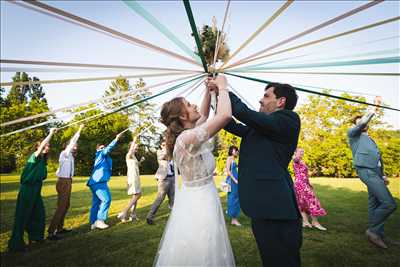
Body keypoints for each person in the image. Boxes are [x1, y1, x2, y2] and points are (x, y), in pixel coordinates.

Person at [153, 75, 235, 266]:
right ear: (182, 116)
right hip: (199, 202)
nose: (195, 106)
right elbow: (224, 116)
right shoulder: (187, 139)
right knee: (203, 248)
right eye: (190, 105)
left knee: (204, 247)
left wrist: (208, 89)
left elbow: (205, 115)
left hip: (201, 196)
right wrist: (223, 87)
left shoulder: (187, 134)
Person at [223, 82, 302, 267]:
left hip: (277, 208)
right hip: (261, 206)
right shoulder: (260, 128)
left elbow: (243, 113)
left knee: (283, 260)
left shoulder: (288, 119)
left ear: (281, 101)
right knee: (270, 258)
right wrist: (216, 95)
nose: (261, 99)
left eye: (266, 96)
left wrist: (224, 88)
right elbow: (229, 122)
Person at [347, 98, 397, 249]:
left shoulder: (369, 138)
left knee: (374, 203)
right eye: (361, 121)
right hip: (366, 171)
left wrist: (382, 175)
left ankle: (379, 234)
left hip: (375, 172)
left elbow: (377, 158)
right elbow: (362, 122)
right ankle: (372, 231)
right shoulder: (353, 134)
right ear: (356, 125)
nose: (364, 123)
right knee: (389, 204)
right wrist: (375, 107)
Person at [8, 128, 57, 252]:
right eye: (45, 146)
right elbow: (40, 149)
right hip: (27, 190)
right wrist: (51, 133)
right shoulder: (34, 157)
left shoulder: (42, 161)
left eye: (48, 146)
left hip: (36, 191)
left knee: (39, 214)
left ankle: (36, 237)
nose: (47, 147)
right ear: (38, 148)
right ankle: (16, 244)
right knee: (22, 216)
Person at [47, 124, 84, 240]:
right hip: (63, 182)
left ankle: (60, 228)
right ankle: (51, 232)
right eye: (74, 145)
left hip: (68, 181)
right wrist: (80, 129)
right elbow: (73, 142)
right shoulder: (65, 153)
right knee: (61, 206)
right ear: (69, 146)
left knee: (66, 205)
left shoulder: (71, 156)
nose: (76, 146)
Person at [87, 132, 122, 230]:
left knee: (96, 202)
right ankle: (100, 220)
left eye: (103, 147)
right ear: (97, 149)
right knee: (106, 199)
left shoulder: (105, 158)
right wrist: (116, 139)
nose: (103, 149)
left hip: (95, 182)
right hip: (98, 182)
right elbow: (108, 149)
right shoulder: (100, 154)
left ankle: (93, 222)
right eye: (101, 148)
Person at [293, 148, 327, 231]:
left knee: (303, 202)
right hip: (300, 184)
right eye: (300, 151)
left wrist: (309, 183)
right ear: (295, 152)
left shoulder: (302, 161)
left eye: (303, 152)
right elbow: (295, 159)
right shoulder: (296, 159)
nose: (302, 153)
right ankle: (314, 222)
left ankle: (305, 222)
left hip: (303, 184)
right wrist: (295, 156)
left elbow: (304, 174)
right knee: (311, 201)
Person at [146, 140, 175, 225]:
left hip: (172, 178)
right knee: (160, 198)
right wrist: (167, 148)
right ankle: (150, 217)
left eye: (166, 144)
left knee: (173, 198)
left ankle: (174, 216)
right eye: (163, 145)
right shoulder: (159, 152)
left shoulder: (172, 154)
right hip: (163, 179)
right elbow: (164, 156)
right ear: (161, 146)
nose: (165, 146)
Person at [118, 137, 143, 222]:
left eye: (137, 146)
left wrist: (141, 161)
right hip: (132, 177)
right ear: (130, 147)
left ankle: (133, 215)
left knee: (135, 195)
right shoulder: (129, 155)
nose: (137, 148)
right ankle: (124, 213)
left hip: (136, 176)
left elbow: (136, 165)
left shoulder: (134, 156)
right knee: (138, 195)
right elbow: (131, 151)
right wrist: (135, 140)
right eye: (135, 146)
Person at [225, 145, 241, 226]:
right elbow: (228, 171)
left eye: (237, 150)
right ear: (231, 151)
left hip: (236, 180)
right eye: (235, 150)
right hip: (232, 181)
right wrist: (235, 180)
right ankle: (233, 219)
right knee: (233, 198)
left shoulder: (234, 159)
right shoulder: (229, 158)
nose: (236, 152)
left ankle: (234, 218)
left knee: (236, 198)